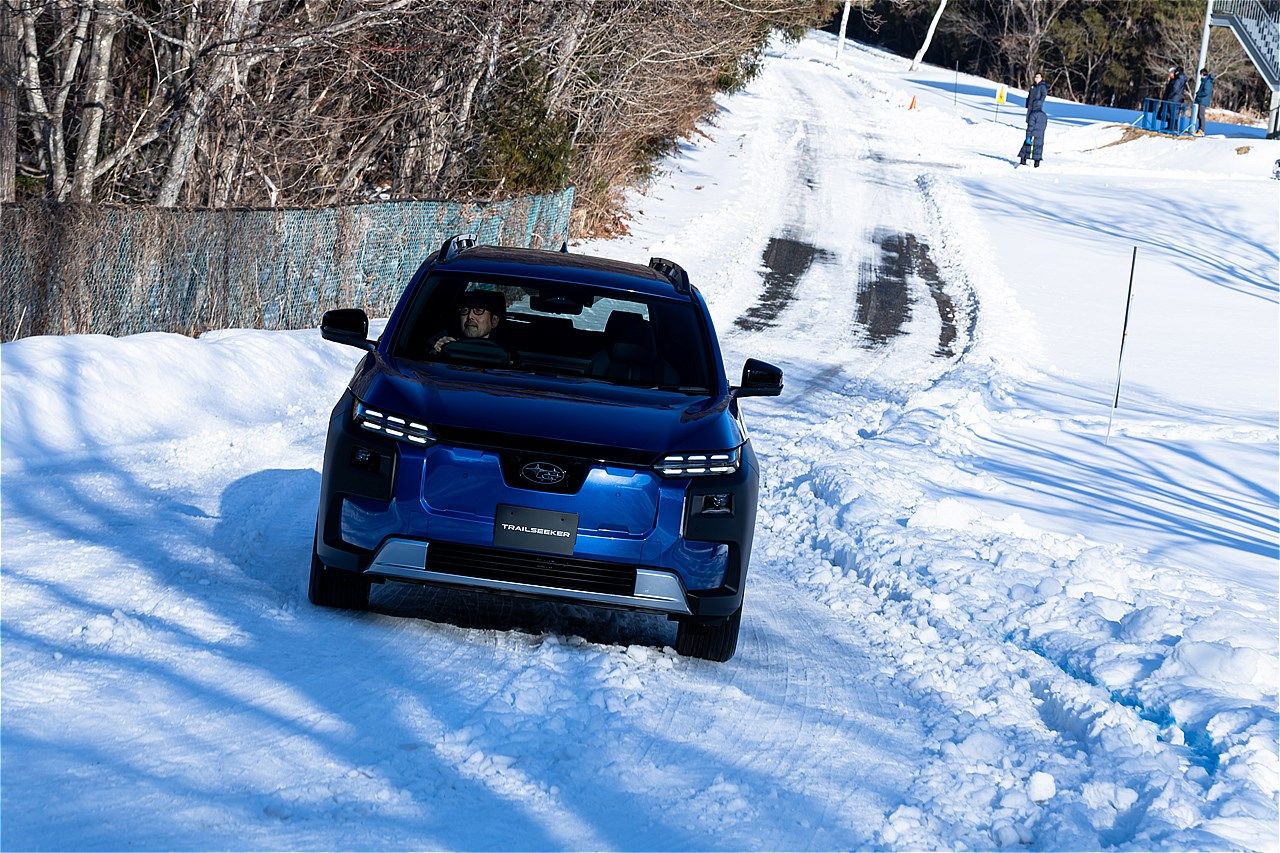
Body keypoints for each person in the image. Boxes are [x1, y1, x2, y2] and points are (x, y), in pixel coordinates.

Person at [430, 289, 505, 354]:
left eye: (478, 310)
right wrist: (436, 350)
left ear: (494, 320)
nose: (470, 316)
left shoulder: (505, 350)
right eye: (465, 310)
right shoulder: (443, 339)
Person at [1018, 72, 1049, 167]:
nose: (1036, 78)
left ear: (1041, 78)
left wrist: (1038, 103)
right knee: (1030, 130)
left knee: (1033, 133)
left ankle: (1030, 158)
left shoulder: (1042, 87)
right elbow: (1029, 96)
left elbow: (1043, 96)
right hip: (1031, 109)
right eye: (1035, 77)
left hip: (1036, 109)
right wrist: (1027, 103)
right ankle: (1025, 158)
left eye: (1038, 77)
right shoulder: (1033, 86)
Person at [1161, 66, 1187, 132]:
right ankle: (1170, 126)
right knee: (1170, 113)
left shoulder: (1179, 79)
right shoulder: (1177, 79)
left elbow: (1175, 89)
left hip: (1175, 98)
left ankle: (1174, 128)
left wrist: (1171, 95)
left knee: (1174, 113)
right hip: (1173, 98)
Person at [1193, 68, 1214, 136]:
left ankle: (1202, 130)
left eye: (1200, 74)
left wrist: (1199, 94)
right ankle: (1199, 129)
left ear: (1202, 74)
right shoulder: (1204, 81)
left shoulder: (1207, 81)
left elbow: (1206, 92)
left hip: (1203, 101)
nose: (1200, 76)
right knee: (1199, 115)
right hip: (1201, 100)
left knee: (1201, 115)